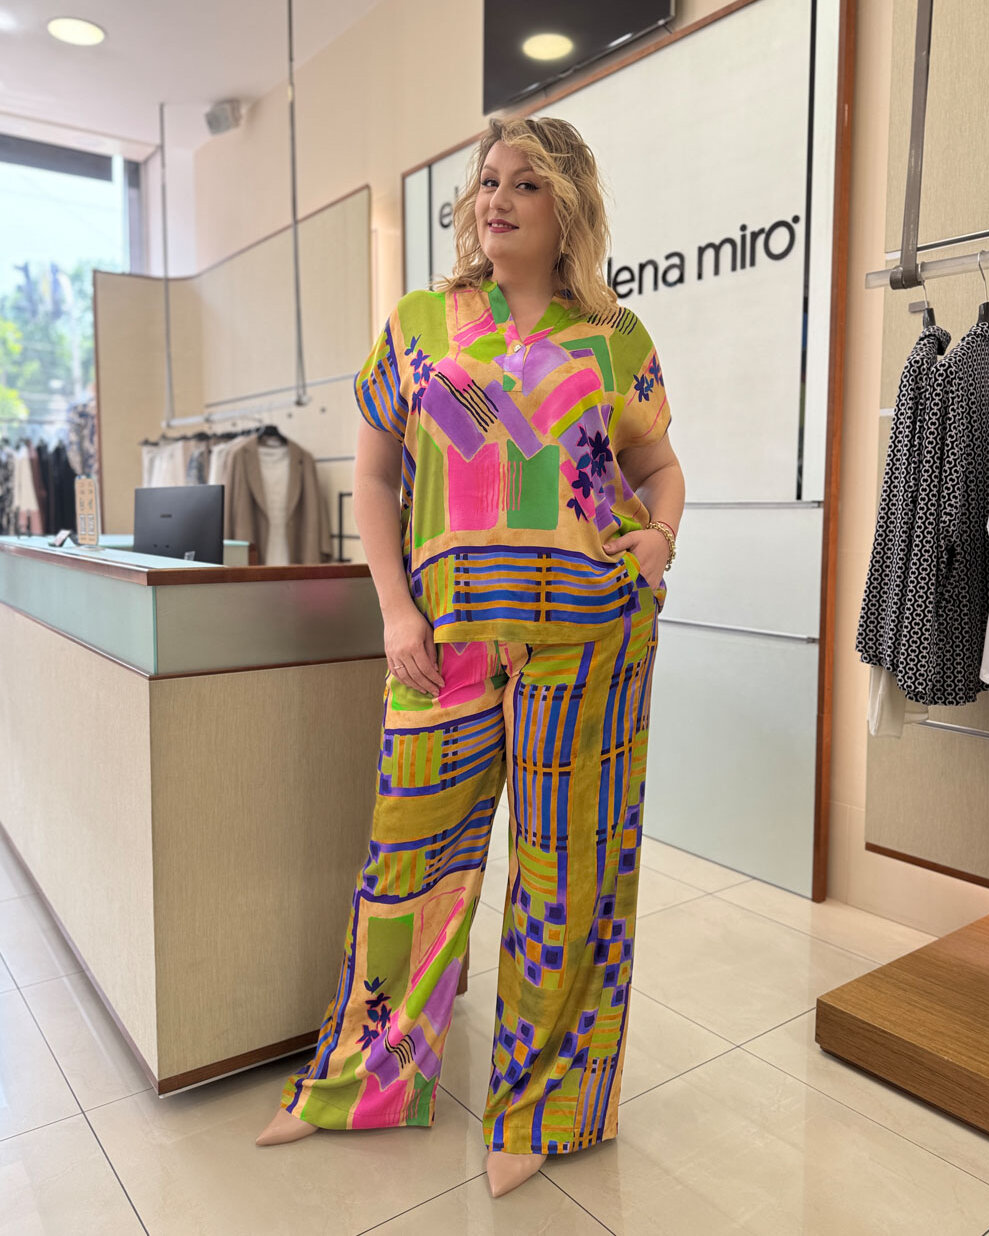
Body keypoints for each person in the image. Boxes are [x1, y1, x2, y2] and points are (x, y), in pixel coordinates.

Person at [255, 115, 686, 1198]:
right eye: (487, 181)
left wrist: (660, 541)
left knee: (568, 871)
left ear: (567, 208)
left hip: (589, 636)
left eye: (524, 184)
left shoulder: (613, 336)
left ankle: (543, 1112)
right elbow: (376, 481)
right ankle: (359, 1081)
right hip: (442, 640)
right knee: (407, 862)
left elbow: (659, 467)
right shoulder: (419, 326)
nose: (495, 199)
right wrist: (394, 611)